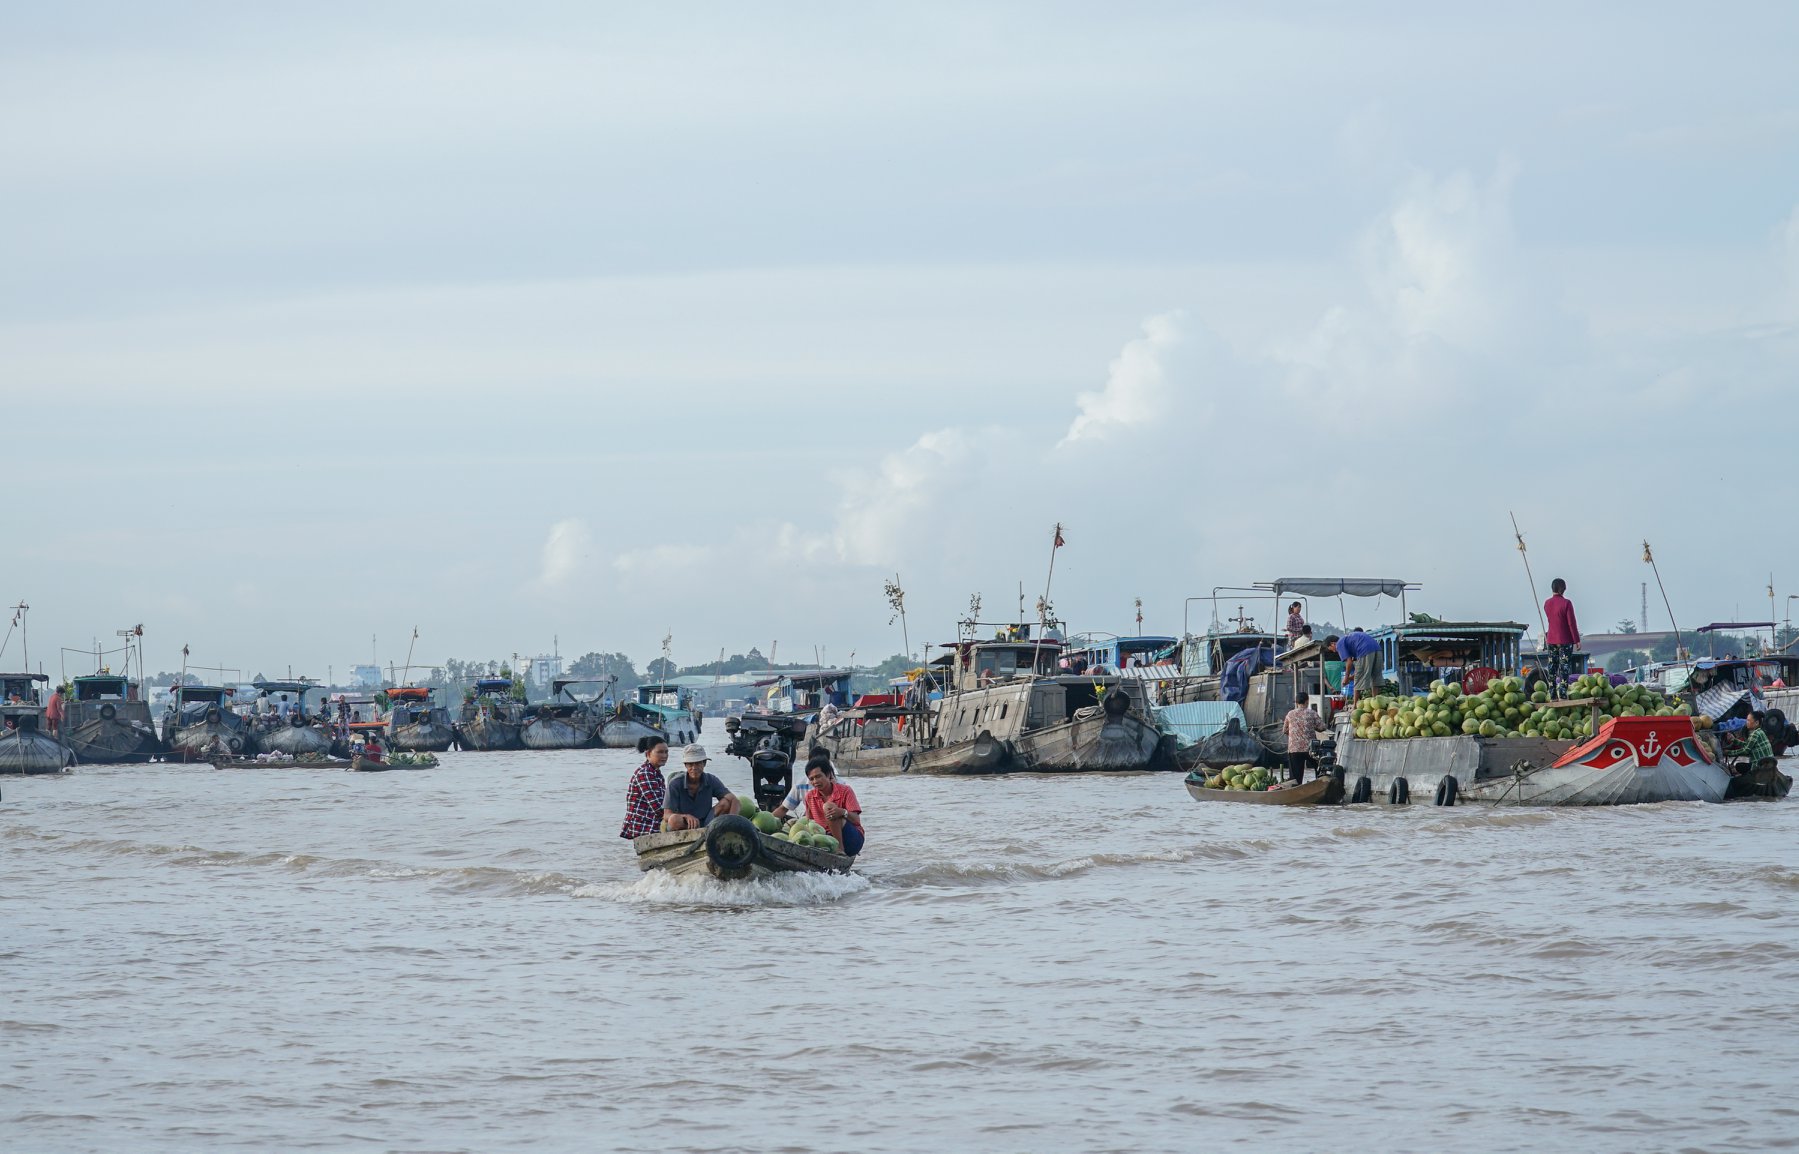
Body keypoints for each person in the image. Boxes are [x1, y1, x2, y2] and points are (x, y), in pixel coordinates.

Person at [663, 743, 741, 830]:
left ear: (704, 763)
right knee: (673, 820)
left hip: (707, 822)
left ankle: (710, 830)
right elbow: (666, 815)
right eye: (690, 764)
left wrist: (732, 822)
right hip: (684, 824)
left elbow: (734, 800)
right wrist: (685, 816)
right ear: (685, 765)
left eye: (698, 763)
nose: (694, 768)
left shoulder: (711, 779)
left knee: (726, 802)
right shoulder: (675, 783)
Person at [801, 758, 864, 857]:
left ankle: (840, 849)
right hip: (826, 840)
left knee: (828, 807)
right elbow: (810, 823)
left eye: (818, 777)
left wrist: (842, 812)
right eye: (811, 779)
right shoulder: (809, 796)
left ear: (828, 775)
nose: (815, 781)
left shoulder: (846, 791)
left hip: (851, 839)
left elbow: (856, 820)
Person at [620, 736, 670, 839]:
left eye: (666, 752)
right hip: (643, 826)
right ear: (648, 754)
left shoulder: (656, 773)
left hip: (651, 822)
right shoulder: (645, 773)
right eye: (660, 752)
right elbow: (658, 808)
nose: (664, 755)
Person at [1543, 577, 1581, 700]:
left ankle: (1553, 695)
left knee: (1552, 668)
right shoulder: (1566, 603)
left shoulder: (1547, 603)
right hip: (1565, 640)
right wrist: (1577, 640)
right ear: (1563, 589)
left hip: (1551, 639)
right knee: (1564, 668)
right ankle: (1563, 694)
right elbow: (1571, 623)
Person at [1282, 700, 1325, 784]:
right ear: (1307, 701)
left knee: (1295, 778)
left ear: (1296, 703)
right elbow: (1322, 727)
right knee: (1320, 769)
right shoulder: (1312, 713)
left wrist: (1294, 734)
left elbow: (1285, 730)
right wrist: (1312, 727)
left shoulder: (1290, 714)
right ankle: (1320, 786)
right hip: (1311, 749)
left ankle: (1295, 792)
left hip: (1294, 748)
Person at [1335, 630, 1382, 701]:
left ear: (1332, 644)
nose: (1335, 651)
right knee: (1375, 677)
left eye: (1332, 650)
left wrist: (1346, 677)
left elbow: (1349, 663)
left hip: (1365, 649)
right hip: (1378, 648)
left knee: (1357, 679)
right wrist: (1349, 678)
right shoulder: (1351, 642)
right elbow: (1361, 669)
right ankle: (1376, 701)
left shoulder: (1339, 644)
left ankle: (1354, 706)